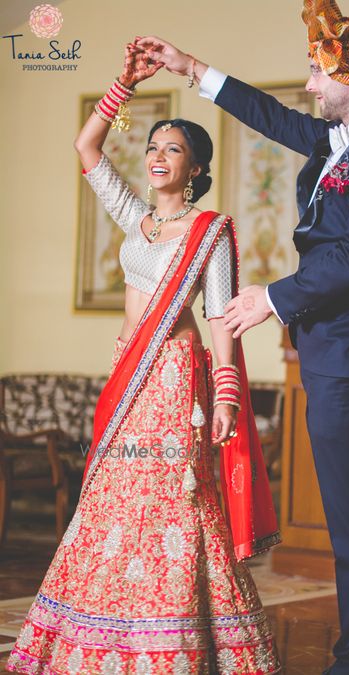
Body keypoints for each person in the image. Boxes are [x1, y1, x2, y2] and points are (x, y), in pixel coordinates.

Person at [135, 0, 349, 672]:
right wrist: (191, 68)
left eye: (316, 71)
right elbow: (271, 116)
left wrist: (271, 297)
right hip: (333, 352)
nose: (309, 85)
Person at [7, 41, 281, 674]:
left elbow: (218, 317)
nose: (157, 156)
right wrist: (122, 84)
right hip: (129, 369)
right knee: (112, 496)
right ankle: (106, 631)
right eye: (153, 147)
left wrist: (229, 393)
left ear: (196, 169)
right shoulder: (135, 220)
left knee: (174, 499)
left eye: (173, 149)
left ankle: (175, 639)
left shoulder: (210, 231)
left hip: (177, 379)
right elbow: (87, 149)